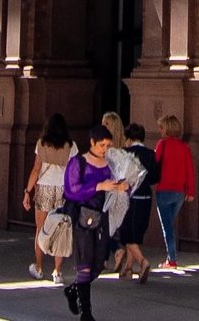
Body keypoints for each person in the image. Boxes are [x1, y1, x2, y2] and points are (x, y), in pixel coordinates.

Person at [62, 124, 129, 321]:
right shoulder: (78, 163)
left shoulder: (110, 164)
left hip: (103, 216)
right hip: (83, 217)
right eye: (102, 145)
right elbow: (71, 190)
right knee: (84, 263)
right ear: (92, 142)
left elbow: (117, 184)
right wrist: (98, 185)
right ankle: (86, 313)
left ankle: (73, 290)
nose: (105, 149)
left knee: (98, 263)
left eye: (108, 145)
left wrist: (121, 187)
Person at [25, 113, 76, 282]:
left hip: (44, 187)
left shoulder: (42, 144)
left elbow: (36, 169)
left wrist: (27, 191)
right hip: (63, 189)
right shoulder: (71, 146)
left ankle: (39, 267)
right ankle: (58, 271)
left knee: (41, 229)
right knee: (60, 229)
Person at [97, 113, 145, 279]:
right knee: (110, 226)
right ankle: (106, 260)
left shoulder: (108, 150)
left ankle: (117, 250)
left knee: (104, 225)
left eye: (106, 123)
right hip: (121, 193)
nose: (103, 125)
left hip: (111, 191)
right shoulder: (123, 149)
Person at [115, 121, 158, 281]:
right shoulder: (151, 154)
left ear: (129, 138)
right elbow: (155, 177)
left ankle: (142, 261)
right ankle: (128, 268)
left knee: (126, 233)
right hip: (145, 197)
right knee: (136, 232)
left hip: (129, 197)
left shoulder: (125, 153)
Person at [152, 115, 194, 269]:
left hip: (164, 190)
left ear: (167, 128)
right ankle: (171, 258)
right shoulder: (184, 147)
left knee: (167, 226)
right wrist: (190, 191)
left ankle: (172, 259)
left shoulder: (162, 144)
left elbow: (155, 163)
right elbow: (190, 170)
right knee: (169, 224)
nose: (160, 130)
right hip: (180, 193)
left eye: (161, 127)